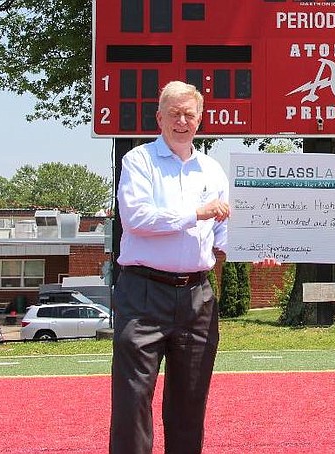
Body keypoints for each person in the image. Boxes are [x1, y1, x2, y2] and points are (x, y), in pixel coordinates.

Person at [110, 81, 274, 454]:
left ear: (200, 119)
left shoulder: (212, 170)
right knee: (132, 398)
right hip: (143, 293)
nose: (182, 122)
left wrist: (258, 249)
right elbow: (136, 219)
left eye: (189, 114)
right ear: (159, 118)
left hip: (197, 297)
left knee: (190, 401)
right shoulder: (138, 161)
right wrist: (195, 212)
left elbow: (223, 233)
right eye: (174, 114)